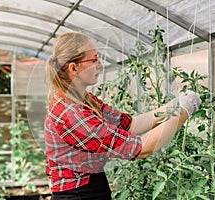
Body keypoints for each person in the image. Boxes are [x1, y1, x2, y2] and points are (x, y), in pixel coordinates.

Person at [44, 31, 201, 200]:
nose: (100, 64)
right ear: (73, 68)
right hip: (78, 195)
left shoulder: (84, 100)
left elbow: (130, 124)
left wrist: (174, 105)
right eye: (93, 59)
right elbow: (143, 148)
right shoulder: (72, 115)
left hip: (89, 187)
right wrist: (184, 110)